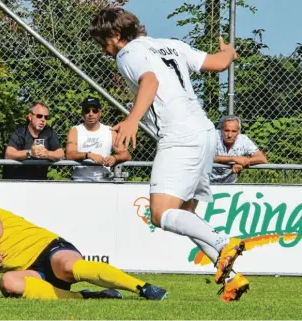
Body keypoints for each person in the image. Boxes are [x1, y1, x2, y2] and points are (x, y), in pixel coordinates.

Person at [89, 7, 248, 301]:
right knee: (184, 214)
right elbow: (218, 62)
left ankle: (224, 243)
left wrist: (133, 119)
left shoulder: (128, 54)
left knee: (161, 214)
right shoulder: (171, 45)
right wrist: (230, 53)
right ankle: (231, 278)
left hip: (179, 135)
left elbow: (150, 81)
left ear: (114, 34)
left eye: (102, 41)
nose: (103, 49)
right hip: (203, 132)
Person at [0, 183, 167, 300]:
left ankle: (142, 287)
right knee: (8, 283)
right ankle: (91, 298)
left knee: (69, 267)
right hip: (32, 272)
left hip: (49, 250)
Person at [66, 96, 131, 181]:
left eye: (94, 110)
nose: (91, 113)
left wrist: (115, 158)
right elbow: (69, 154)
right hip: (80, 180)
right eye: (87, 110)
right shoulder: (75, 130)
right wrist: (88, 155)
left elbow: (127, 155)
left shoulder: (109, 131)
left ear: (100, 112)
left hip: (104, 181)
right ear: (82, 113)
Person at [3, 102, 64, 180]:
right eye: (39, 116)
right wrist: (30, 153)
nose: (43, 120)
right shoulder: (20, 132)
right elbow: (9, 154)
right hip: (16, 181)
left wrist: (47, 154)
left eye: (46, 117)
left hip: (38, 182)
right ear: (30, 116)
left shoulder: (49, 133)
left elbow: (60, 154)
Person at [211, 115, 268, 183]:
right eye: (226, 130)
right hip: (206, 184)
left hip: (229, 186)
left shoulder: (243, 140)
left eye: (234, 131)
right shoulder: (213, 136)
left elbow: (262, 159)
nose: (229, 135)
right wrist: (234, 159)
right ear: (221, 130)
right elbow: (206, 157)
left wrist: (243, 162)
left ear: (238, 132)